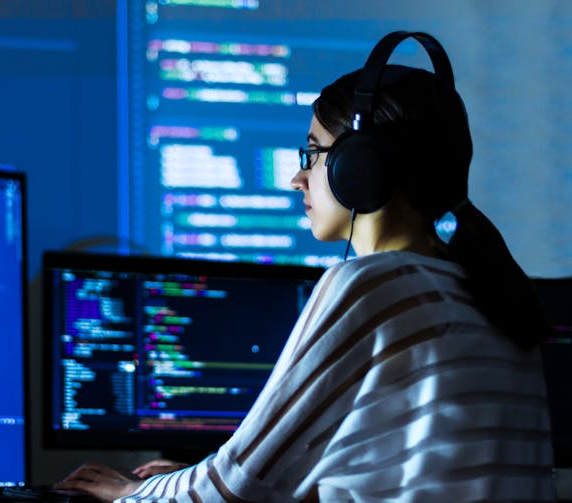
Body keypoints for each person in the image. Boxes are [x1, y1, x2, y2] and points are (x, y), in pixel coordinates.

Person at [55, 31, 556, 502]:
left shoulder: (374, 284)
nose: (297, 178)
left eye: (313, 153)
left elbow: (230, 489)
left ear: (360, 166)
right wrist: (188, 478)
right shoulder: (490, 288)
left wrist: (132, 492)